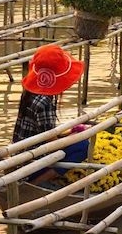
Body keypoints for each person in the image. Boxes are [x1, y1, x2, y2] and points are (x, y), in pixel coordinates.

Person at [12, 44, 90, 184]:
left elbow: (45, 133)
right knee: (83, 146)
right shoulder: (45, 102)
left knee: (75, 137)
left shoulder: (30, 94)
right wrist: (73, 138)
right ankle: (35, 182)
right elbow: (52, 142)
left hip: (21, 155)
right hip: (33, 161)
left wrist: (68, 134)